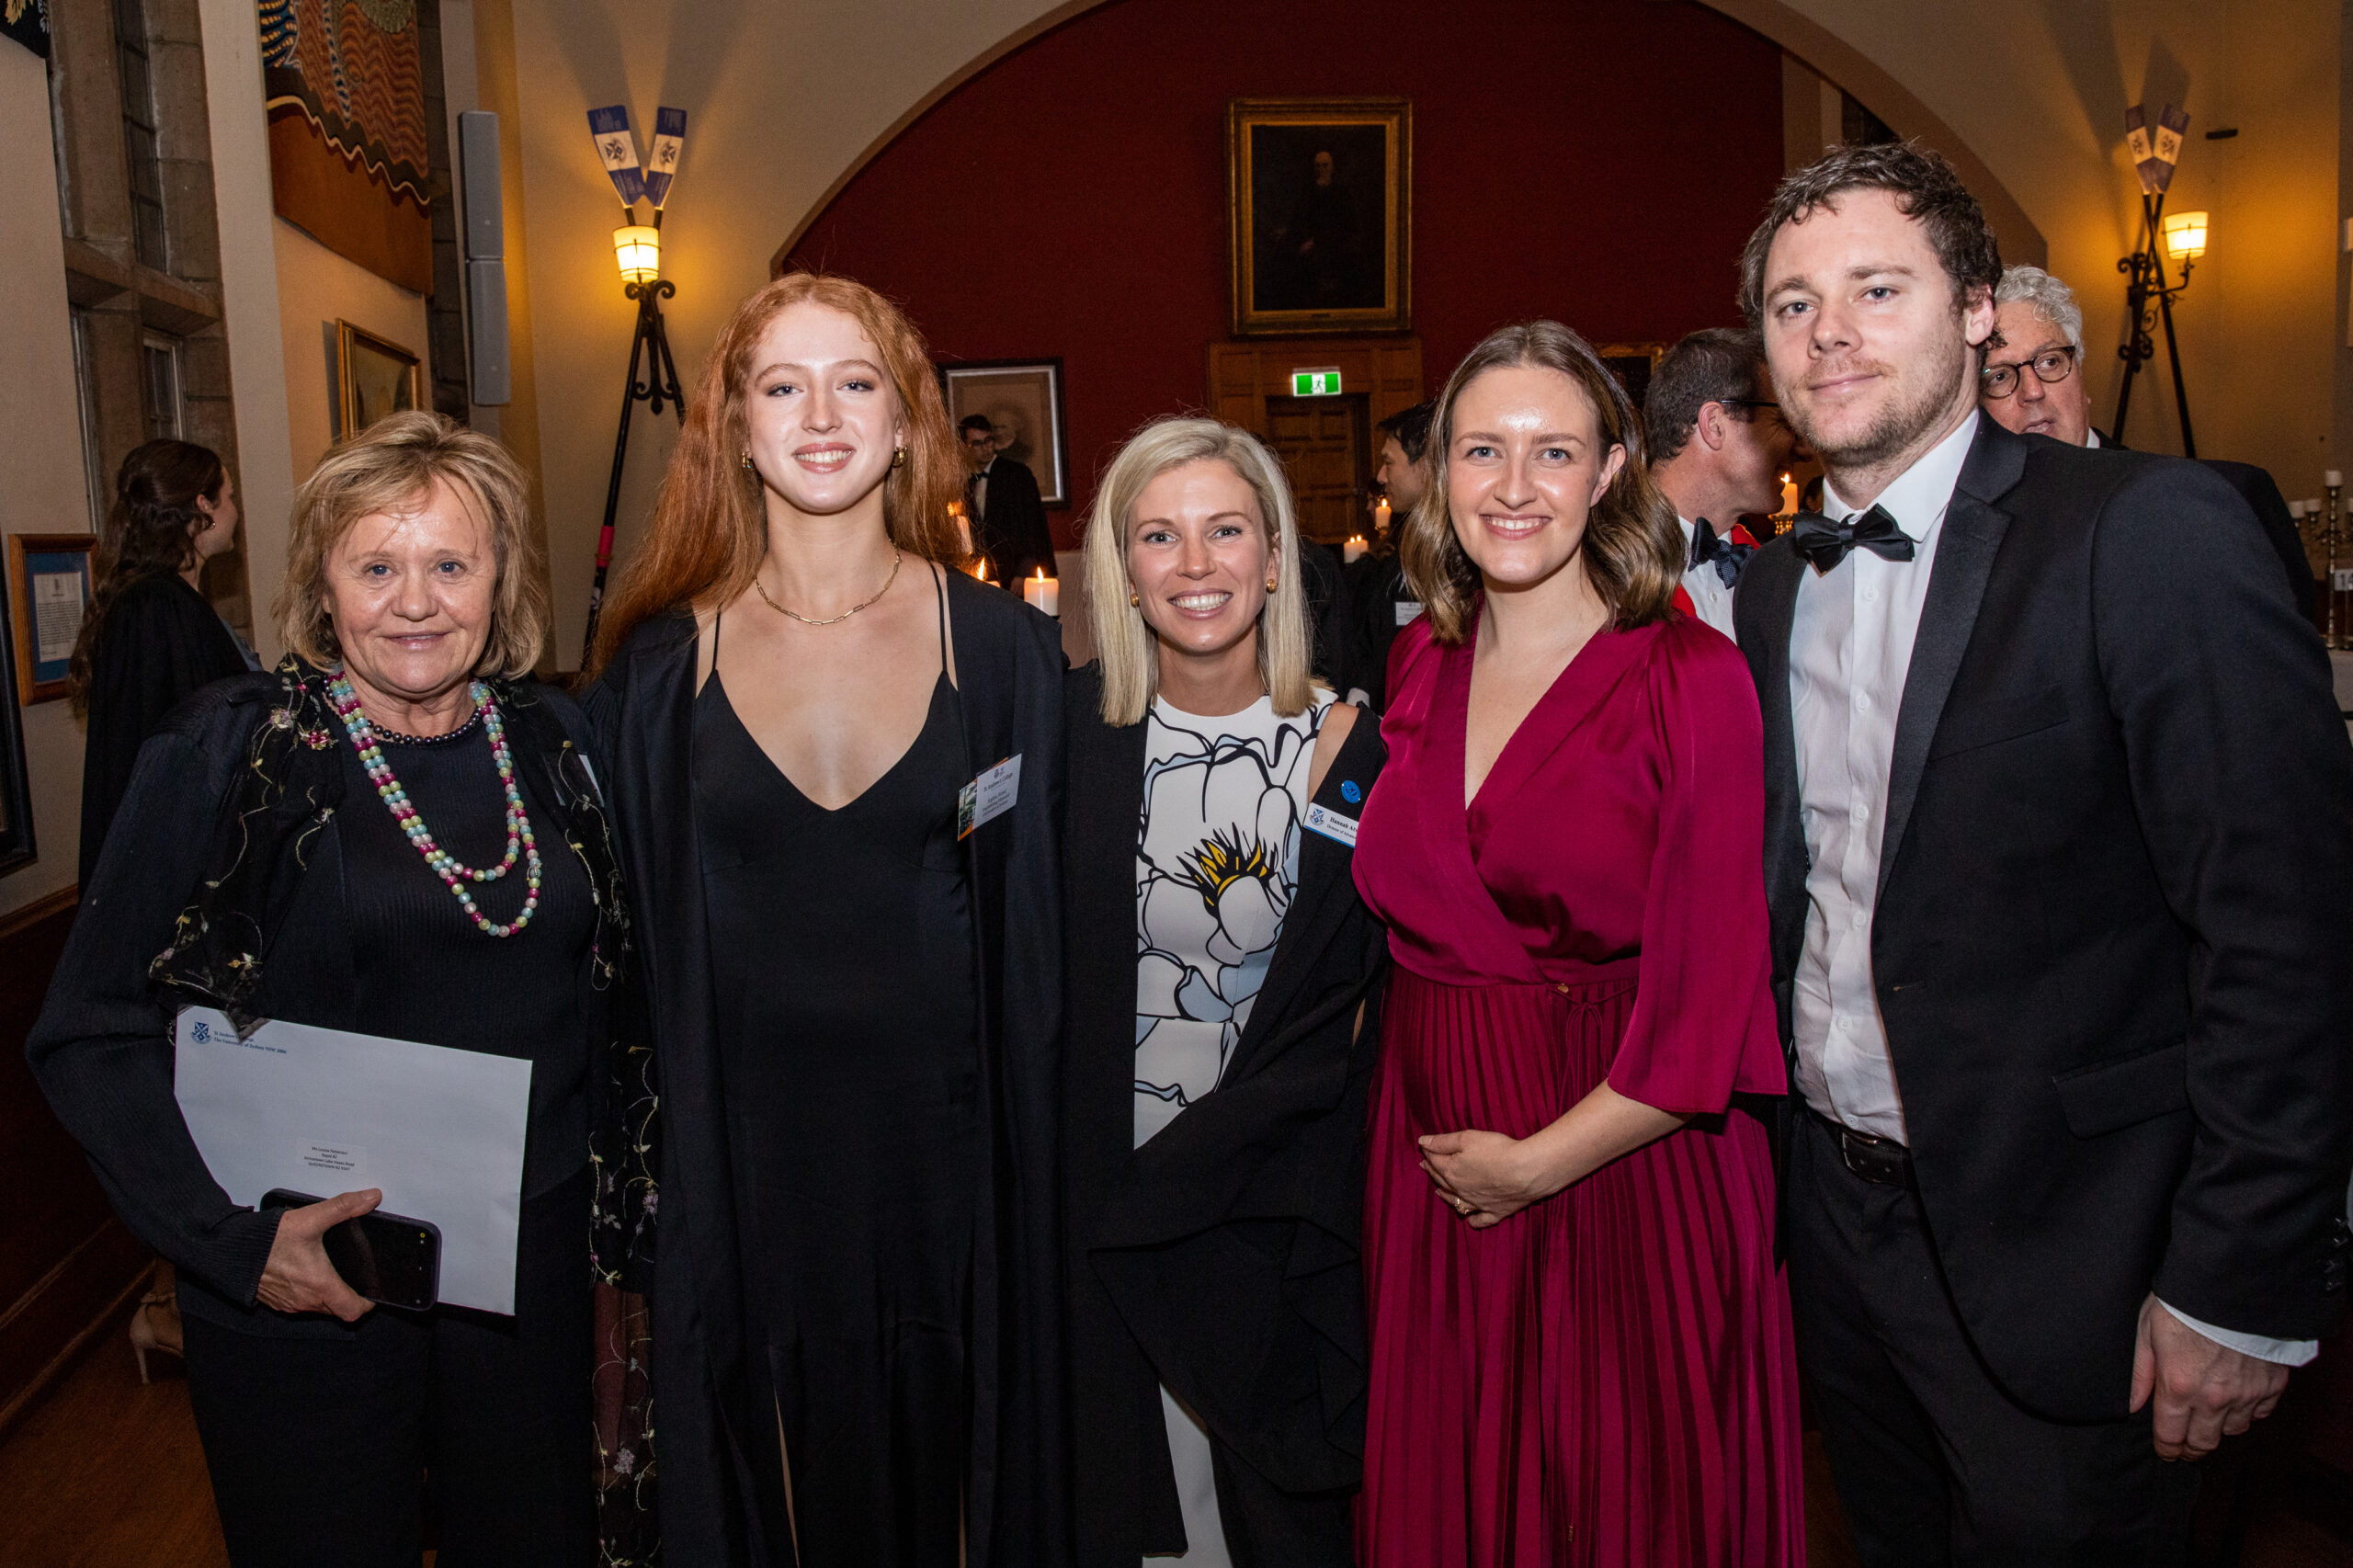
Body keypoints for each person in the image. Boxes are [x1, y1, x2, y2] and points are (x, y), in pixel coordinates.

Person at [1733, 142, 2353, 1564]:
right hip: (1840, 1232)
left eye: (1876, 288)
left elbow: (2288, 933)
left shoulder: (2144, 531)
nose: (1830, 332)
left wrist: (2239, 1278)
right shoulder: (1778, 586)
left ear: (1971, 313)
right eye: (1793, 304)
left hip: (2080, 1250)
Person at [28, 413, 628, 1567]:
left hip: (529, 1287)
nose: (416, 599)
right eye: (377, 565)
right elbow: (87, 1032)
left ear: (501, 583)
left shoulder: (559, 743)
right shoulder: (230, 751)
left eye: (451, 563)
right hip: (309, 1282)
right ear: (322, 586)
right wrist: (232, 1243)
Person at [585, 273, 1067, 1568]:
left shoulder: (1003, 652)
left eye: (855, 382)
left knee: (955, 1480)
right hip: (743, 1166)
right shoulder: (654, 671)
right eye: (780, 385)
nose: (818, 415)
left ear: (910, 422)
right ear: (733, 425)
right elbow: (608, 954)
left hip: (954, 1165)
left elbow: (1042, 943)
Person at [1352, 321, 1803, 1564]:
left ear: (1611, 469)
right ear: (1438, 469)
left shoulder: (1690, 677)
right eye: (1481, 450)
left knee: (1619, 1502)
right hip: (1432, 1173)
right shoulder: (1415, 662)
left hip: (1625, 1180)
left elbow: (1713, 1000)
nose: (1513, 487)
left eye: (1553, 452)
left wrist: (1534, 1166)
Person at [1063, 416, 1388, 1568]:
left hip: (1279, 1190)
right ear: (1122, 567)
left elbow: (1375, 991)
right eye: (1160, 535)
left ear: (1270, 554)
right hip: (1119, 1179)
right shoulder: (1072, 744)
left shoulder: (1348, 746)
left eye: (1223, 532)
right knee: (1155, 1508)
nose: (1195, 566)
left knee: (1281, 1503)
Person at [1983, 264, 2319, 624]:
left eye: (2051, 361)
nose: (2033, 391)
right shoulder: (1962, 528)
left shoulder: (2226, 499)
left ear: (2081, 379)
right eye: (2000, 376)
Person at [69, 439, 257, 889]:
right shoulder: (154, 607)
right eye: (228, 497)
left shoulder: (171, 601)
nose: (235, 510)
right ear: (201, 507)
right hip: (174, 870)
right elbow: (170, 759)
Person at [1643, 327, 1795, 639]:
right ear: (1714, 425)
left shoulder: (1770, 569)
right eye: (1783, 420)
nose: (1803, 447)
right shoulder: (1598, 568)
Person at [1334, 401, 1433, 709]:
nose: (1379, 476)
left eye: (1388, 463)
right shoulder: (1405, 542)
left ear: (1426, 464)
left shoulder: (1463, 554)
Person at [961, 410, 1058, 585]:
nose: (985, 448)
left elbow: (1032, 525)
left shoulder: (1016, 474)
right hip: (983, 574)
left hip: (1015, 572)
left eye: (988, 441)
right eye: (977, 443)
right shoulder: (965, 481)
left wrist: (1023, 573)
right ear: (965, 447)